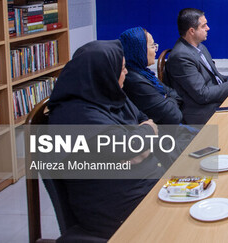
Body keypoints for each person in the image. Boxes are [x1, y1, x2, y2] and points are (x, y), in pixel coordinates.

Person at [47, 40, 164, 238]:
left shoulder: (110, 94)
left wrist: (139, 145)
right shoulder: (73, 115)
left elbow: (147, 121)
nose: (126, 73)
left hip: (147, 184)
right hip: (116, 208)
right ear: (103, 73)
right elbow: (132, 144)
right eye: (122, 68)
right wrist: (140, 141)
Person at [165, 8, 228, 124]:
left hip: (215, 102)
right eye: (203, 26)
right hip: (202, 112)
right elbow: (202, 94)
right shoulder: (181, 56)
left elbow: (213, 78)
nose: (208, 28)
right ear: (192, 31)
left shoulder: (200, 47)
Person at [119, 27, 183, 124]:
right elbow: (174, 116)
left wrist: (167, 98)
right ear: (139, 50)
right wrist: (166, 97)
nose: (155, 50)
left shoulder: (144, 72)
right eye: (152, 46)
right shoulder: (134, 81)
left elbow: (174, 94)